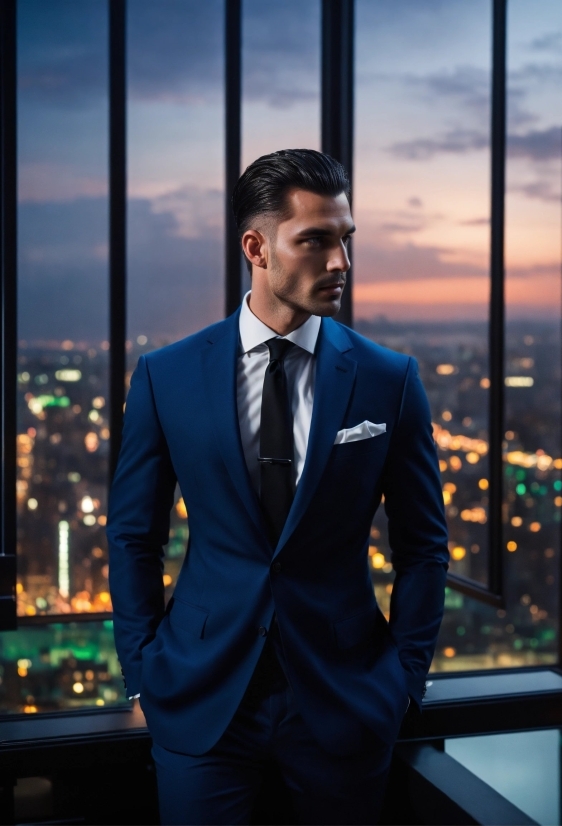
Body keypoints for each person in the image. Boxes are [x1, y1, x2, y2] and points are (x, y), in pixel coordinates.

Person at [106, 148, 449, 825]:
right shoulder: (165, 376)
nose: (340, 262)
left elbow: (424, 545)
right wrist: (142, 671)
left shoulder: (389, 379)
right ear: (256, 247)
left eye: (345, 239)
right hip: (201, 699)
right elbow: (131, 535)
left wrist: (404, 679)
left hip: (346, 699)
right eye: (316, 240)